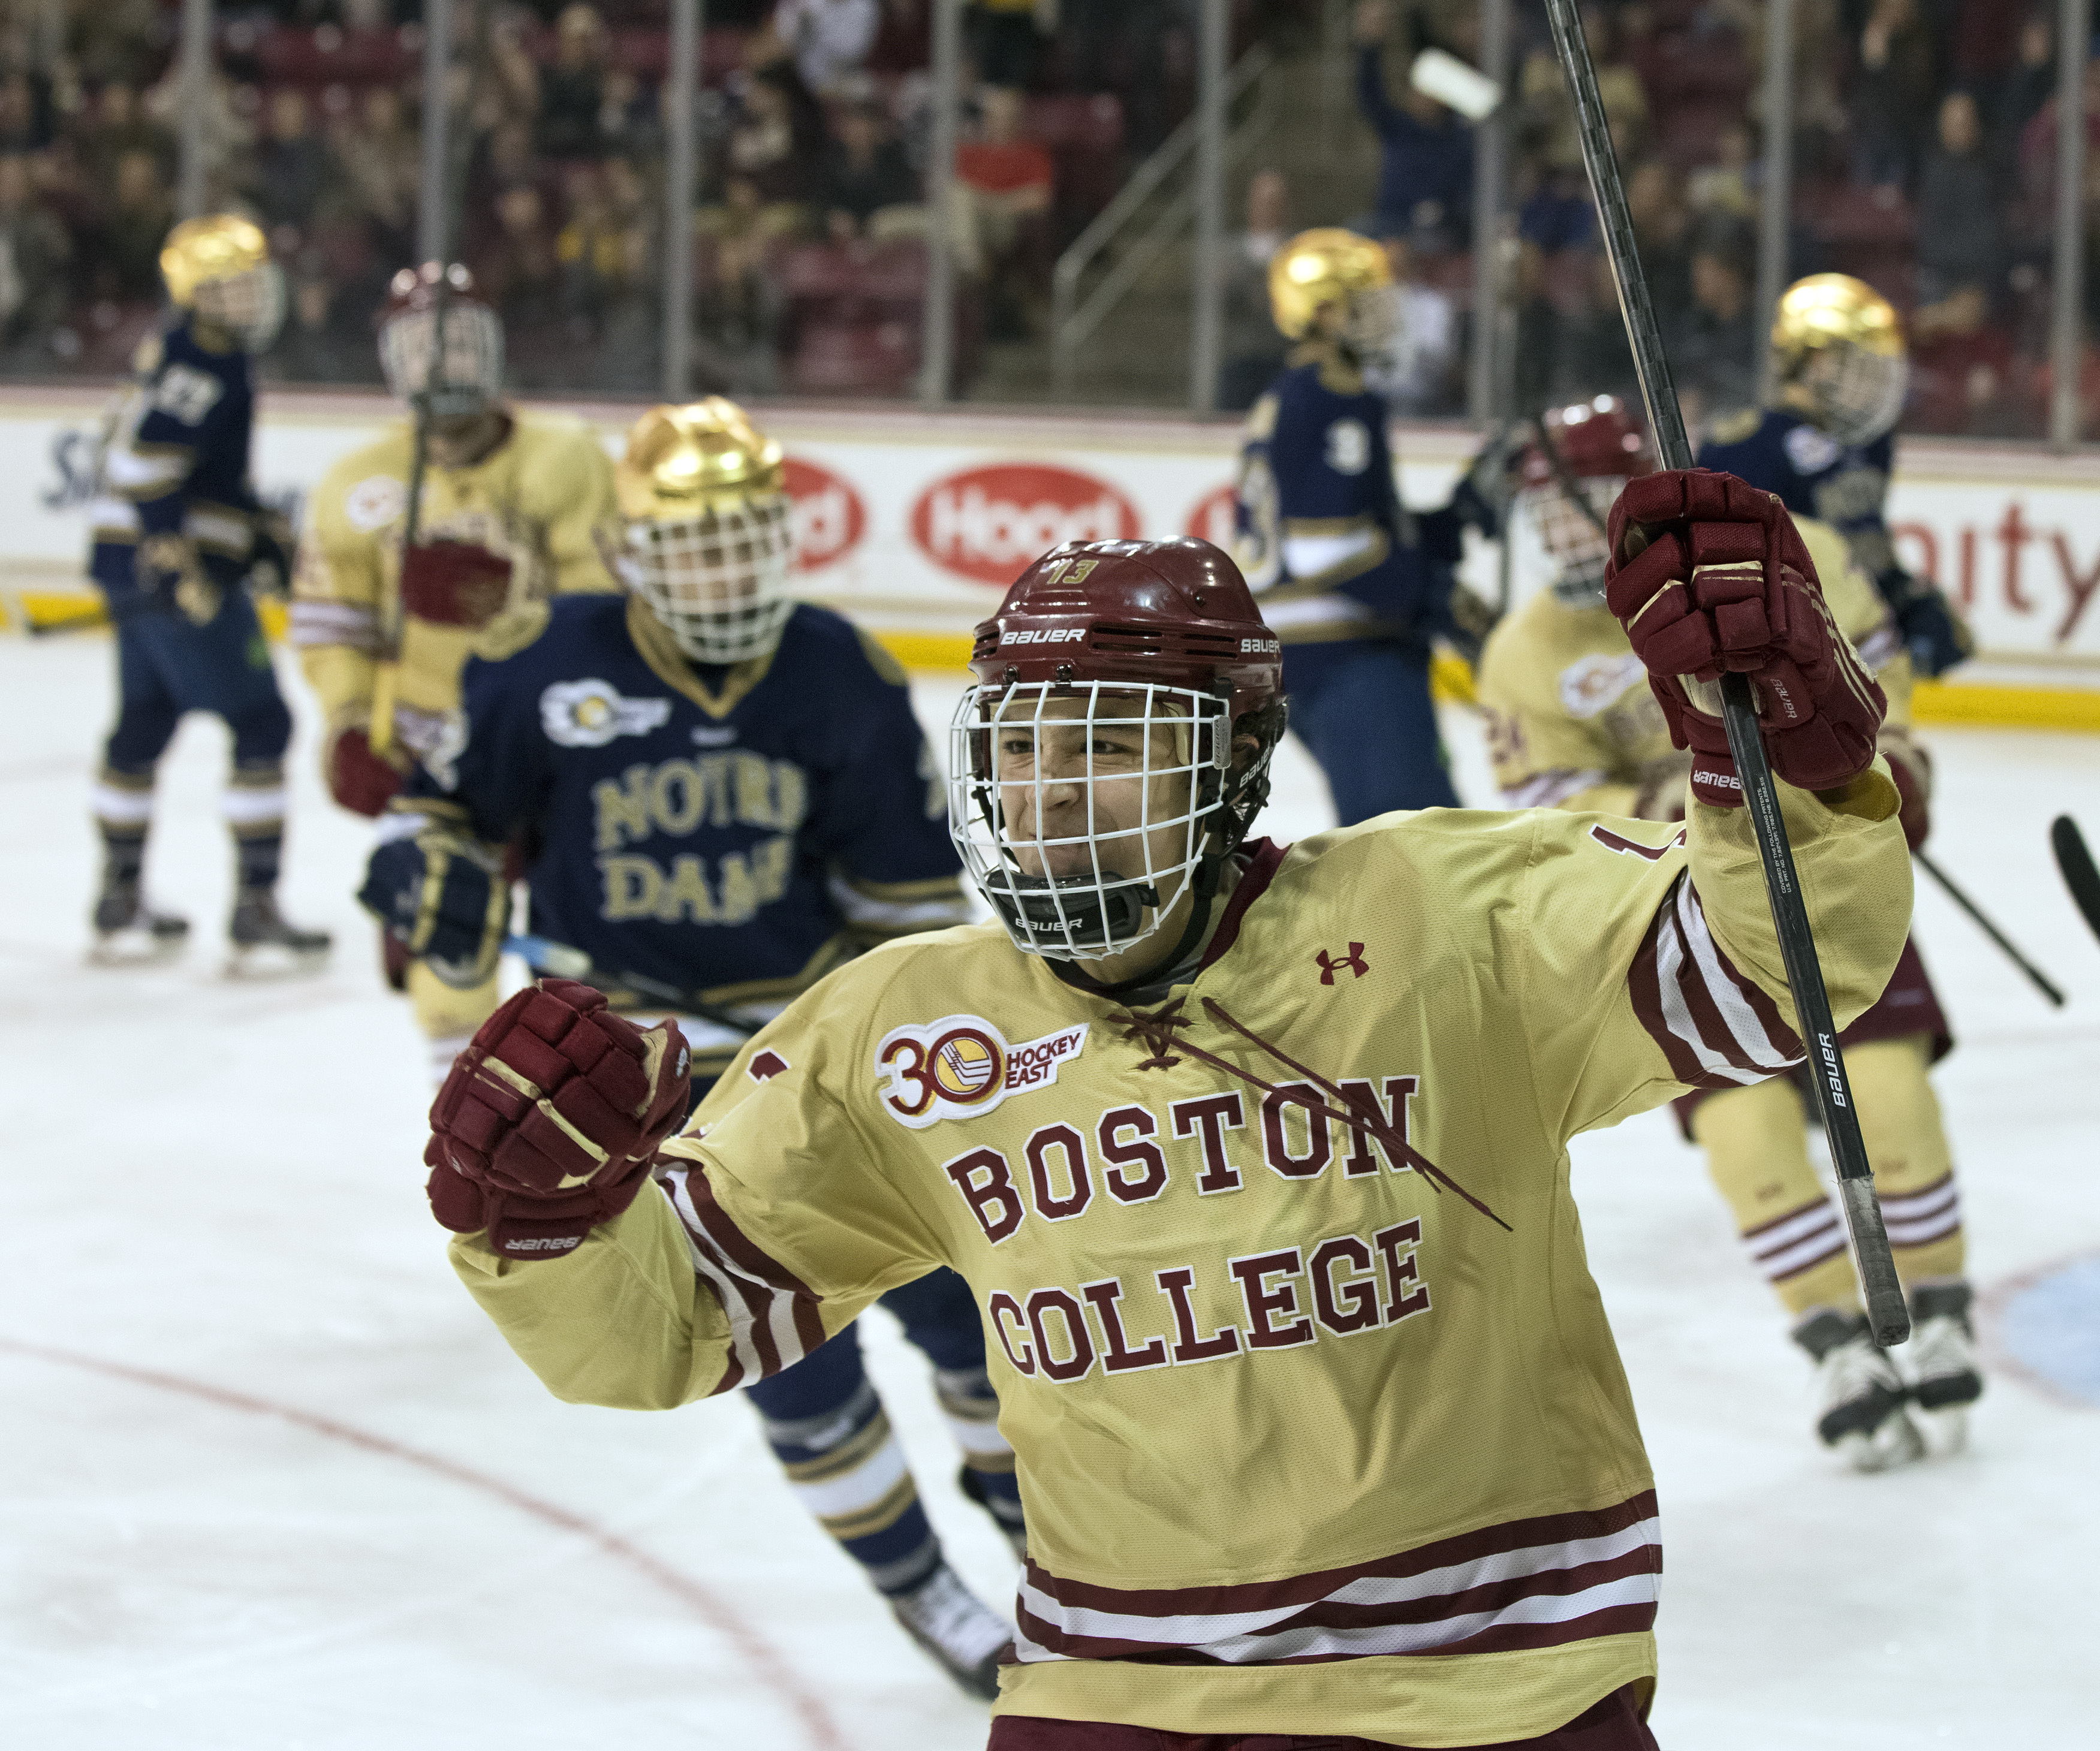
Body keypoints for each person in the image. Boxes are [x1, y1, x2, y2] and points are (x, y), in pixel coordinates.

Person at [414, 504, 1914, 1746]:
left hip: (1493, 1678)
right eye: (1023, 744)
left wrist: (1781, 760)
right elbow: (665, 1325)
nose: (1053, 791)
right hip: (1113, 1691)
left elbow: (1774, 966)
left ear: (1237, 759)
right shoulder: (897, 1027)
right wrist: (542, 1226)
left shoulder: (1446, 915)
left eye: (1113, 742)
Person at [358, 398, 1018, 1697]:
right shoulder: (540, 661)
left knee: (982, 1320)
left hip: (822, 1063)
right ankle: (920, 1587)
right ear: (631, 549)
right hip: (637, 1087)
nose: (724, 576)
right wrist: (418, 868)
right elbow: (442, 815)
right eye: (693, 547)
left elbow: (905, 912)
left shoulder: (843, 672)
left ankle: (1056, 1552)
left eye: (743, 543)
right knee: (788, 1358)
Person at [1477, 398, 1984, 1473]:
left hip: (1831, 879)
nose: (1561, 540)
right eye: (1544, 518)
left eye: (1577, 513)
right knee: (1740, 1132)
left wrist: (1878, 769)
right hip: (1682, 914)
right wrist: (1671, 791)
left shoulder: (1778, 553)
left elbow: (1878, 710)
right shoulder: (1524, 652)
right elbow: (1563, 827)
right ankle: (1830, 1337)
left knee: (1889, 1094)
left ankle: (1936, 1304)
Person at [291, 261, 619, 1075]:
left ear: (499, 352)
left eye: (463, 345)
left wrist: (514, 597)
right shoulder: (357, 484)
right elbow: (334, 628)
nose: (443, 368)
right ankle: (466, 1133)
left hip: (561, 755)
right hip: (432, 760)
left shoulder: (567, 457)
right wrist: (345, 724)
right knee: (447, 953)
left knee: (581, 966)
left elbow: (612, 611)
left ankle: (586, 1127)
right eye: (421, 349)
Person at [85, 214, 331, 975]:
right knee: (262, 722)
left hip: (129, 572)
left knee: (143, 725)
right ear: (195, 295)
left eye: (252, 283)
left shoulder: (188, 351)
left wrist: (250, 526)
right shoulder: (205, 362)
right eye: (229, 287)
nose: (249, 299)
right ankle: (255, 906)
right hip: (171, 578)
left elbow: (170, 467)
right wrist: (179, 556)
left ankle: (118, 894)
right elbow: (140, 469)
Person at [1231, 227, 1494, 822]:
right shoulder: (1333, 395)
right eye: (1369, 303)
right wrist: (1430, 593)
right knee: (1416, 844)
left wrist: (1454, 515)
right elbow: (1325, 550)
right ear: (1325, 314)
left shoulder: (1295, 393)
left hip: (1314, 650)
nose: (1387, 317)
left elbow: (1349, 529)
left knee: (1420, 838)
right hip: (1345, 650)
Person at [1699, 273, 1974, 678]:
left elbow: (1864, 538)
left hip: (1858, 624)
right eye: (1858, 366)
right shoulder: (1745, 447)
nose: (1875, 383)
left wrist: (1900, 596)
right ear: (1815, 361)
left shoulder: (1868, 443)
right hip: (1794, 645)